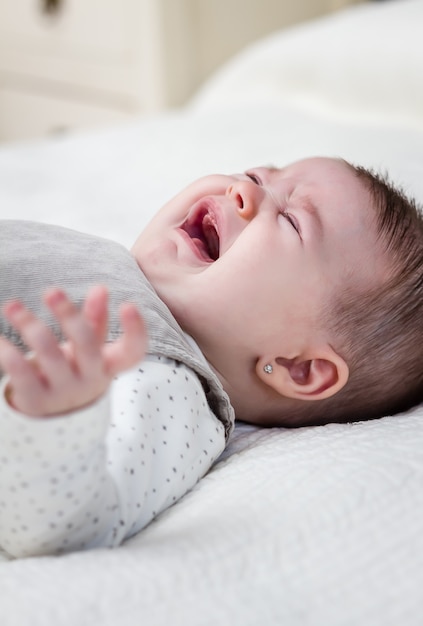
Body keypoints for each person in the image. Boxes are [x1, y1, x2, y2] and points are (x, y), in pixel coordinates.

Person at [0, 156, 422, 558]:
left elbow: (69, 526)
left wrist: (54, 424)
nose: (243, 192)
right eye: (258, 177)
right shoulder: (108, 264)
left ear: (299, 368)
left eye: (292, 222)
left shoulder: (172, 386)